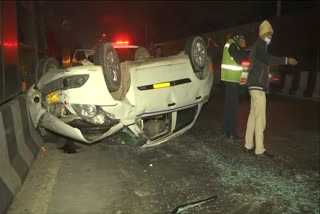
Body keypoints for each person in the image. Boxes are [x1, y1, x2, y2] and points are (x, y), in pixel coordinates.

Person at [244, 20, 298, 157]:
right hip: (257, 86)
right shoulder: (260, 44)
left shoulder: (258, 46)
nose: (271, 36)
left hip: (253, 86)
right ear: (263, 33)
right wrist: (286, 60)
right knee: (260, 118)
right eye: (269, 33)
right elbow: (268, 59)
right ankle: (259, 150)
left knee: (253, 117)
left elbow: (263, 62)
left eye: (272, 34)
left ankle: (248, 145)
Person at [221, 31, 246, 140]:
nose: (243, 41)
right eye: (242, 38)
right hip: (231, 79)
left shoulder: (230, 44)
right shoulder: (233, 45)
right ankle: (232, 133)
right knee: (233, 106)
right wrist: (243, 48)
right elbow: (239, 59)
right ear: (238, 38)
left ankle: (226, 131)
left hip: (228, 79)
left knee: (228, 106)